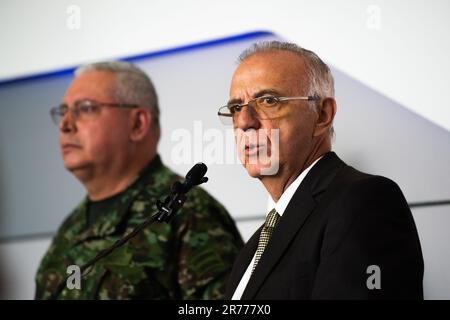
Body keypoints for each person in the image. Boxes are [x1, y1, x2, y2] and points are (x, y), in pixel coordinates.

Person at [219, 41, 423, 299]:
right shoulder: (255, 247)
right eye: (236, 108)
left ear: (322, 114)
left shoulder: (365, 202)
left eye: (268, 100)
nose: (245, 122)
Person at [35, 61, 243, 299]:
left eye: (85, 108)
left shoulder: (187, 213)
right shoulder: (70, 228)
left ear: (137, 123)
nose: (65, 125)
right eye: (63, 112)